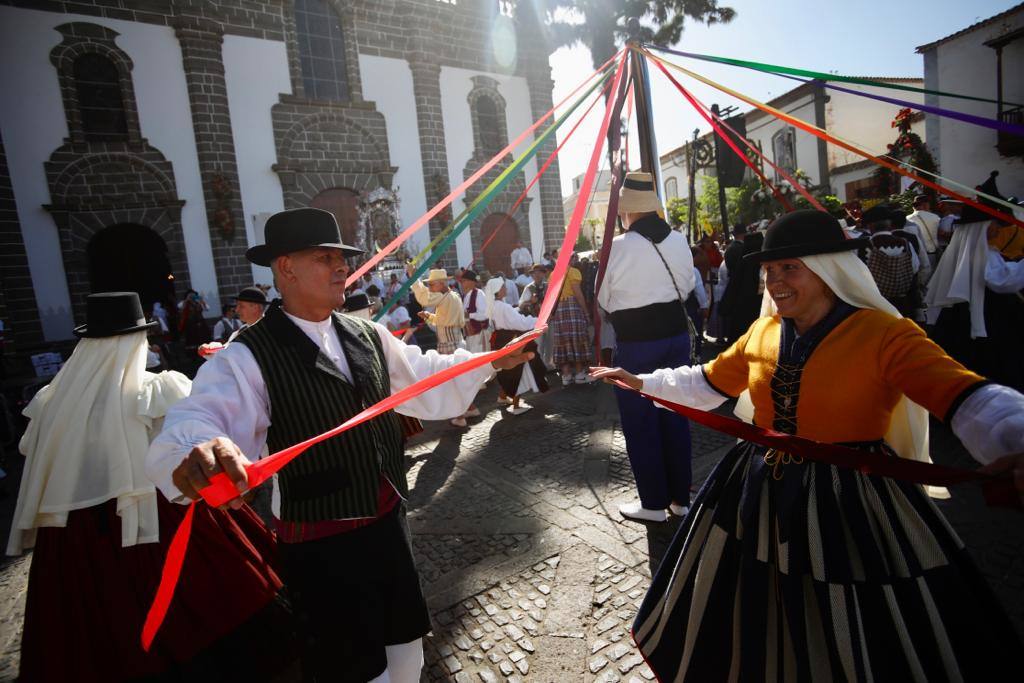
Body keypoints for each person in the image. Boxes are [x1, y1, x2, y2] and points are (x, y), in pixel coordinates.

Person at [591, 210, 1024, 682]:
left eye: (789, 268)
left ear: (828, 269)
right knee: (756, 600)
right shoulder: (764, 332)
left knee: (853, 609)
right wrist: (642, 382)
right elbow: (707, 382)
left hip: (852, 498)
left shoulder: (884, 334)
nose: (775, 281)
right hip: (756, 491)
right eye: (769, 271)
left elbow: (968, 397)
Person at [147, 208, 531, 683]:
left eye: (342, 259)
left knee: (406, 653)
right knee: (353, 669)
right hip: (322, 544)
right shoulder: (247, 354)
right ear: (285, 268)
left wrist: (493, 359)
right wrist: (199, 450)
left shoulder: (366, 333)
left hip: (388, 524)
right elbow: (200, 416)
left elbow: (425, 374)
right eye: (325, 258)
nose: (341, 268)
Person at [10, 292, 294, 682]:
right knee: (206, 605)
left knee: (93, 622)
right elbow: (184, 443)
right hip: (162, 516)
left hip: (77, 531)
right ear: (136, 339)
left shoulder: (51, 401)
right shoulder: (156, 389)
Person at [596, 171, 696, 523]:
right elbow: (687, 287)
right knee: (675, 415)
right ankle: (681, 499)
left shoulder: (618, 247)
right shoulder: (679, 240)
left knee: (641, 423)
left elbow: (603, 297)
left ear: (627, 210)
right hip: (675, 337)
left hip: (638, 343)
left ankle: (653, 503)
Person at [927, 203, 1024, 391]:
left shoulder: (969, 250)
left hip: (970, 315)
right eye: (994, 223)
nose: (997, 229)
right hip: (987, 318)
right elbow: (1001, 280)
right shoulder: (978, 252)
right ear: (983, 226)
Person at [484, 277, 548, 414]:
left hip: (499, 339)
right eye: (503, 287)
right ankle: (516, 405)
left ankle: (502, 396)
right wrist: (539, 321)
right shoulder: (503, 306)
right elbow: (519, 323)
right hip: (510, 339)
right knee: (517, 369)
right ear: (498, 291)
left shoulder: (493, 305)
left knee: (506, 369)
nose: (505, 289)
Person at [550, 252, 592, 385]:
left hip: (559, 311)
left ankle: (566, 376)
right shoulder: (573, 272)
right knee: (576, 339)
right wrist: (586, 312)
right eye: (572, 257)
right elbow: (578, 294)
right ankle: (579, 374)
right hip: (572, 308)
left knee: (563, 341)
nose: (574, 259)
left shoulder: (553, 274)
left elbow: (552, 296)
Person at [410, 267, 465, 354]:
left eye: (431, 285)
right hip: (454, 341)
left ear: (442, 284)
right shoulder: (454, 295)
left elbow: (424, 298)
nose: (430, 288)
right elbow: (443, 319)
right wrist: (428, 316)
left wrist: (414, 277)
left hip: (450, 345)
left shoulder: (443, 297)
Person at [906, 193, 941, 266]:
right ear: (926, 204)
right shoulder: (936, 217)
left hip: (914, 254)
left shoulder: (907, 218)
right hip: (931, 253)